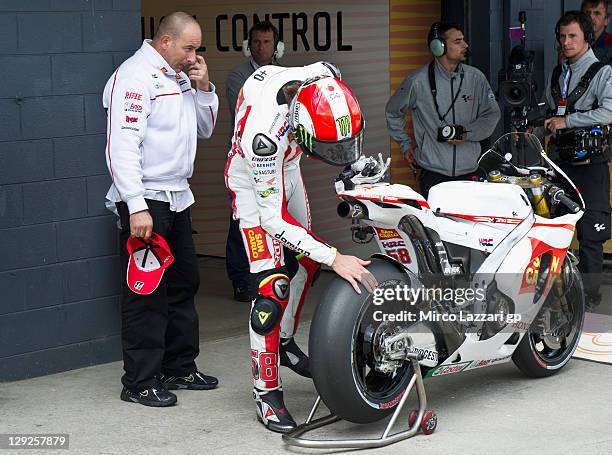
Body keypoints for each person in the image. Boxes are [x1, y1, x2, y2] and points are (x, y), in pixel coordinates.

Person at [225, 62, 379, 432]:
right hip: (252, 181)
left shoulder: (327, 76)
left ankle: (286, 344)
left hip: (289, 167)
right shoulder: (263, 137)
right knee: (272, 287)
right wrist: (335, 257)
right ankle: (266, 392)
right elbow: (273, 219)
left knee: (306, 265)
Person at [102, 12, 219, 407]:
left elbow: (205, 128)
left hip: (177, 196)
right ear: (165, 41)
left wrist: (204, 88)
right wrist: (135, 206)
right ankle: (139, 382)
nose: (193, 55)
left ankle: (180, 367)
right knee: (146, 293)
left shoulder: (181, 76)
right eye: (189, 47)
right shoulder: (133, 77)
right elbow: (121, 147)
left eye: (197, 49)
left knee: (184, 284)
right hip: (146, 199)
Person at [542, 10, 612, 309]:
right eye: (562, 36)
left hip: (591, 165)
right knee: (555, 228)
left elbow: (610, 112)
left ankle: (590, 297)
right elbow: (550, 112)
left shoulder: (603, 72)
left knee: (591, 233)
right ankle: (557, 293)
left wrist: (568, 121)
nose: (566, 42)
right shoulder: (559, 72)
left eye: (572, 36)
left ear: (587, 37)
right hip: (560, 163)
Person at [385, 21, 500, 198]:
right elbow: (393, 111)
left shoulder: (476, 78)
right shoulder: (417, 81)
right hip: (433, 174)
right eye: (458, 41)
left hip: (470, 172)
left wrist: (467, 133)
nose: (465, 45)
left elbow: (492, 114)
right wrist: (405, 144)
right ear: (438, 47)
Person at [225, 21, 283, 302]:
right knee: (242, 220)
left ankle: (269, 274)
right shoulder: (238, 77)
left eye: (267, 42)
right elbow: (250, 113)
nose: (262, 47)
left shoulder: (284, 75)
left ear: (277, 47)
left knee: (273, 217)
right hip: (246, 162)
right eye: (257, 42)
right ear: (249, 45)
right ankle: (240, 279)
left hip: (276, 162)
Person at [582, 0, 612, 64]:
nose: (591, 17)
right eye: (587, 12)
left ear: (607, 20)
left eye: (597, 13)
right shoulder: (574, 42)